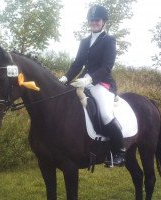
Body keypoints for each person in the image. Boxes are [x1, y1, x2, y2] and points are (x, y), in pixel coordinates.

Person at [59, 5, 125, 166]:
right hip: (82, 82)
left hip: (102, 83)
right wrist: (64, 78)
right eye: (92, 20)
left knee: (105, 114)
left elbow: (107, 66)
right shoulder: (84, 41)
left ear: (103, 22)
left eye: (97, 20)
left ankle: (119, 151)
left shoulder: (109, 40)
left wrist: (89, 79)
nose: (94, 23)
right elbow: (77, 64)